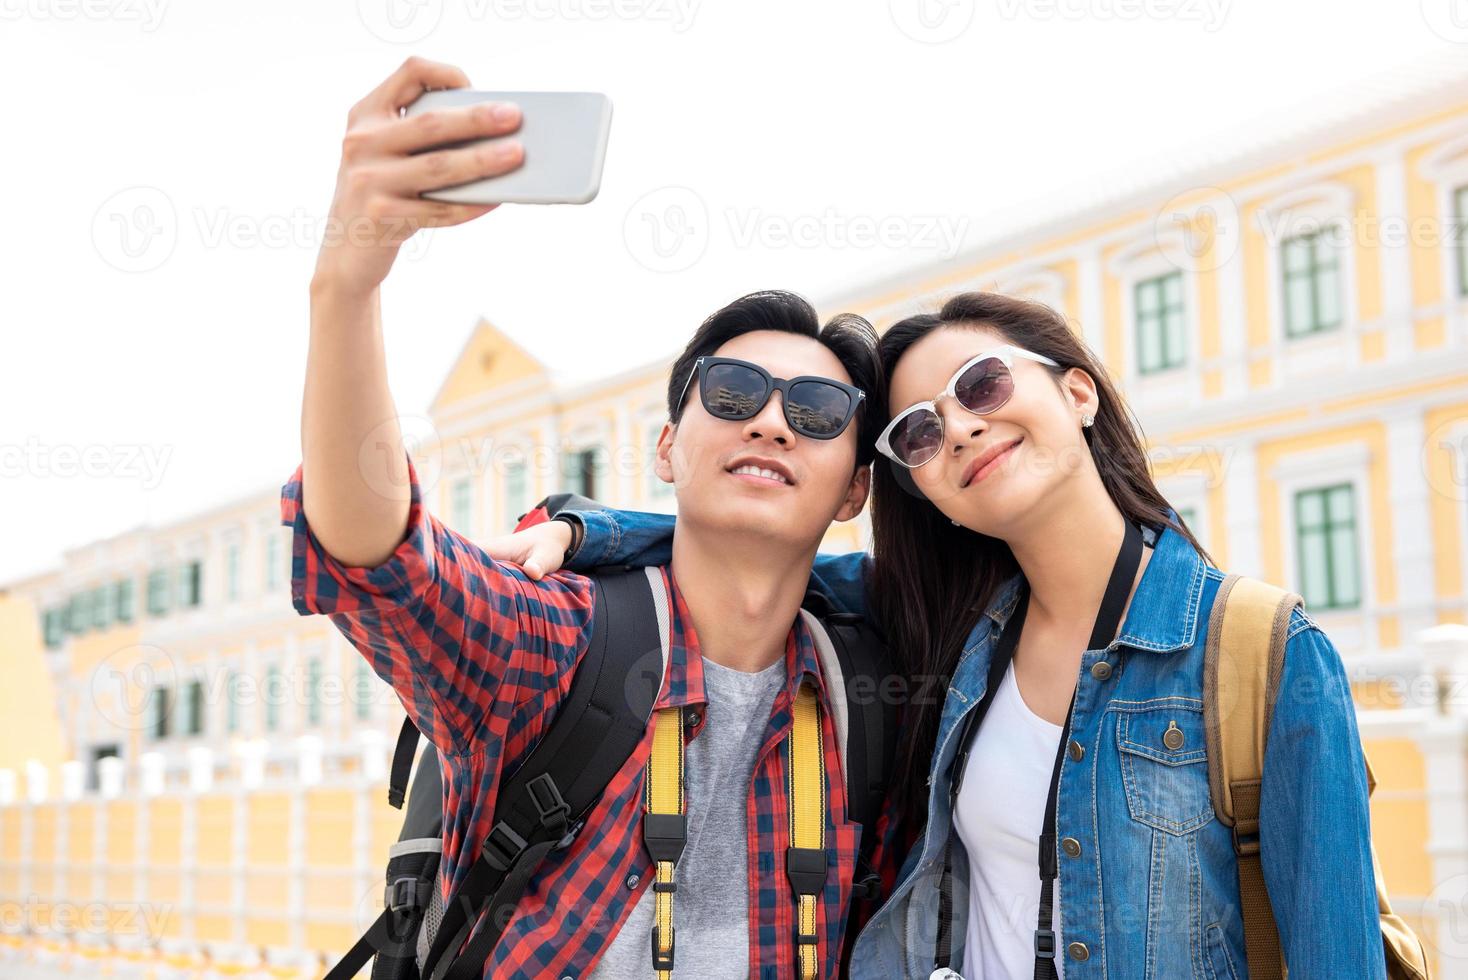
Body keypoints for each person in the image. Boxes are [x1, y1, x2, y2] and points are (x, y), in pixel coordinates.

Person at [501, 290, 1386, 978]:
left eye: (984, 385)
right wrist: (590, 531)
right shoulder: (953, 631)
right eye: (917, 431)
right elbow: (753, 544)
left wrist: (591, 529)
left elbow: (1333, 957)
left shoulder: (1262, 654)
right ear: (922, 488)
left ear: (1075, 391)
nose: (959, 425)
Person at [283, 56, 903, 979]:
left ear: (856, 487)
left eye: (817, 412)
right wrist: (346, 286)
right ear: (666, 450)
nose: (772, 420)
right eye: (732, 394)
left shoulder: (876, 692)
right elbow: (380, 560)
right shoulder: (565, 645)